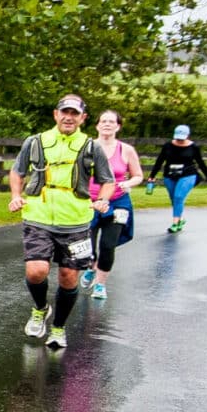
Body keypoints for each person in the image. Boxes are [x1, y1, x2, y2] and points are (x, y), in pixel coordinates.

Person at [8, 95, 112, 351]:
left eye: (74, 113)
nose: (68, 117)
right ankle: (40, 309)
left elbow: (107, 180)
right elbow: (17, 171)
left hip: (76, 222)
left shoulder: (91, 146)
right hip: (37, 216)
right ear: (55, 114)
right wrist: (16, 196)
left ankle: (58, 328)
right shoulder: (36, 142)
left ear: (82, 118)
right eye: (64, 112)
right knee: (36, 271)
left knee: (68, 277)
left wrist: (103, 200)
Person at [82, 110, 142, 301]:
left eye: (111, 121)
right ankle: (91, 267)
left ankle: (100, 285)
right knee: (86, 246)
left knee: (108, 245)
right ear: (97, 125)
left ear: (118, 126)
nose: (107, 124)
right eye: (103, 121)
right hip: (90, 202)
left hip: (117, 202)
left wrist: (128, 183)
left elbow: (138, 175)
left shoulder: (126, 150)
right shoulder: (86, 147)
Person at [153, 124, 207, 233]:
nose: (179, 140)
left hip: (188, 174)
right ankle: (180, 219)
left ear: (188, 136)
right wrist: (152, 176)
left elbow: (201, 163)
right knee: (173, 198)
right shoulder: (168, 146)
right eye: (178, 138)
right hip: (170, 175)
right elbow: (159, 161)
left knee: (178, 197)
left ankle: (175, 223)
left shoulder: (193, 147)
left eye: (182, 138)